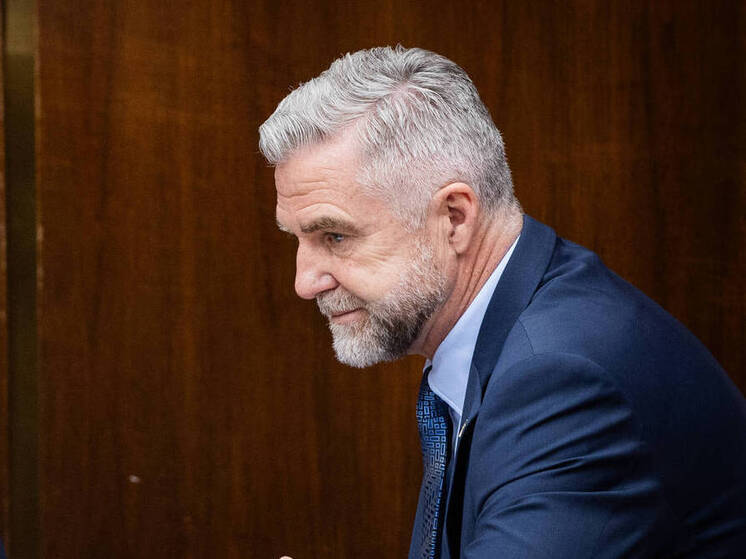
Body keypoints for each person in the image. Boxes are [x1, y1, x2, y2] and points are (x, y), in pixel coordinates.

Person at [259, 46, 746, 558]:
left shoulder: (561, 377)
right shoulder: (513, 324)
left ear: (454, 218)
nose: (304, 282)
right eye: (297, 239)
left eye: (335, 236)